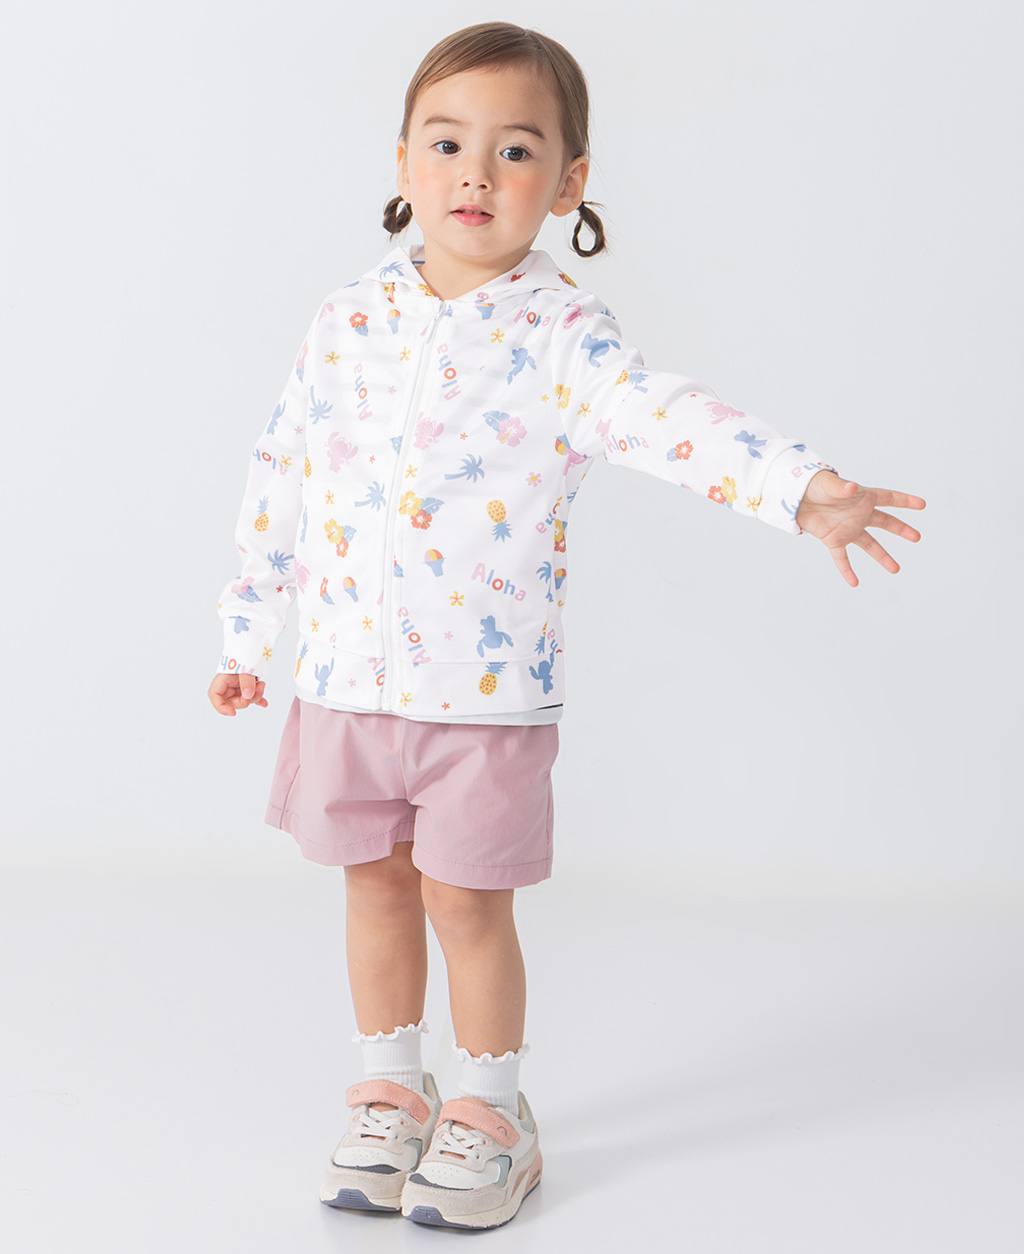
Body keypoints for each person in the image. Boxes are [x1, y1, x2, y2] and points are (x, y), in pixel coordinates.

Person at [208, 21, 925, 1232]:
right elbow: (282, 471)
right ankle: (390, 1091)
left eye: (516, 149)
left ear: (568, 181)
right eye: (447, 143)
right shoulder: (347, 319)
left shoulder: (561, 336)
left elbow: (669, 418)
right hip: (342, 681)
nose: (475, 174)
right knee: (373, 889)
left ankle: (491, 1113)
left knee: (464, 903)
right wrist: (247, 635)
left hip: (481, 700)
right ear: (402, 160)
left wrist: (799, 488)